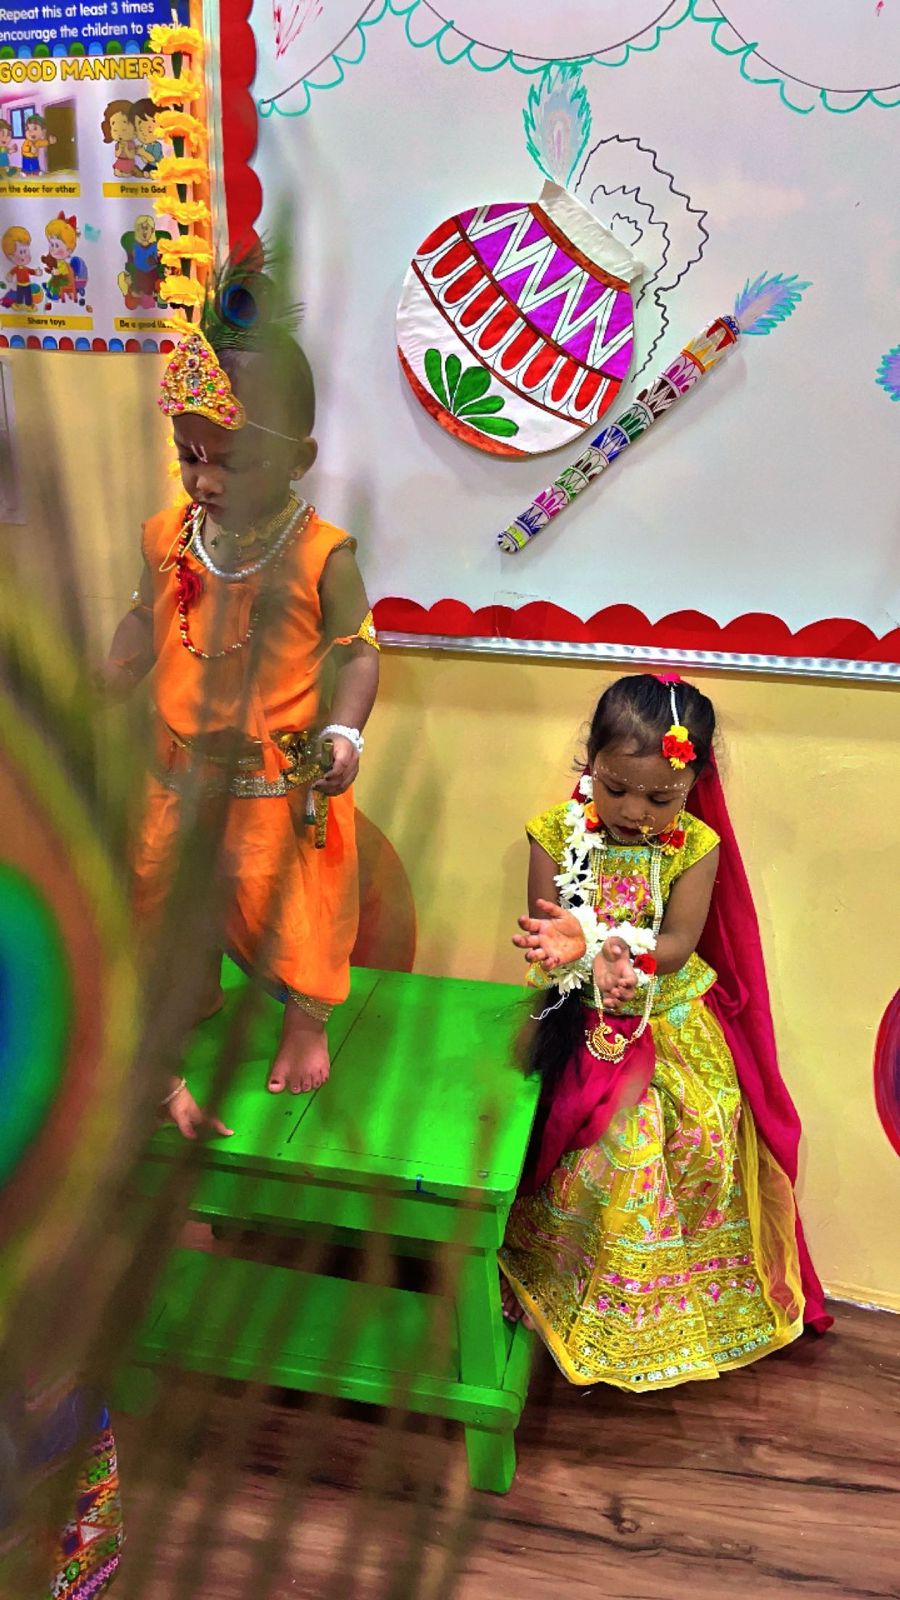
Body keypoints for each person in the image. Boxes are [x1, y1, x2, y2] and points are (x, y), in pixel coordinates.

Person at [499, 673, 831, 1390]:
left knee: (695, 1130)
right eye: (616, 788)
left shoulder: (694, 846)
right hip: (576, 1011)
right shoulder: (555, 831)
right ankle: (558, 1279)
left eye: (660, 799)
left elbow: (680, 941)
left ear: (692, 784)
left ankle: (668, 1304)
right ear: (591, 762)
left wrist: (627, 953)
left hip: (667, 1014)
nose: (633, 812)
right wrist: (577, 953)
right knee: (606, 1141)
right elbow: (547, 923)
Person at [102, 275, 379, 1121]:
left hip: (278, 779)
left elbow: (358, 653)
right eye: (191, 457)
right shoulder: (169, 536)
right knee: (165, 902)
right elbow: (144, 616)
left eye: (231, 462)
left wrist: (345, 733)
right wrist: (111, 676)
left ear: (297, 460)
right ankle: (188, 994)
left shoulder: (322, 554)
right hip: (178, 773)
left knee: (297, 913)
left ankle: (304, 1024)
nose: (205, 481)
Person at [101, 101, 137, 178]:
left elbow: (131, 155)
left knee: (127, 174)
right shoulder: (118, 144)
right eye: (115, 130)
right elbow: (117, 154)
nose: (120, 134)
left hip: (128, 162)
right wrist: (120, 149)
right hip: (120, 161)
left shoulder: (131, 144)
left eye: (124, 130)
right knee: (117, 173)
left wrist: (126, 149)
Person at [133, 99, 163, 174]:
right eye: (141, 130)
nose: (144, 132)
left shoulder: (157, 145)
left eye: (150, 131)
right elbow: (146, 161)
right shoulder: (144, 146)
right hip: (150, 165)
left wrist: (142, 153)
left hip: (158, 166)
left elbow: (153, 159)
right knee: (144, 172)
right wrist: (140, 153)